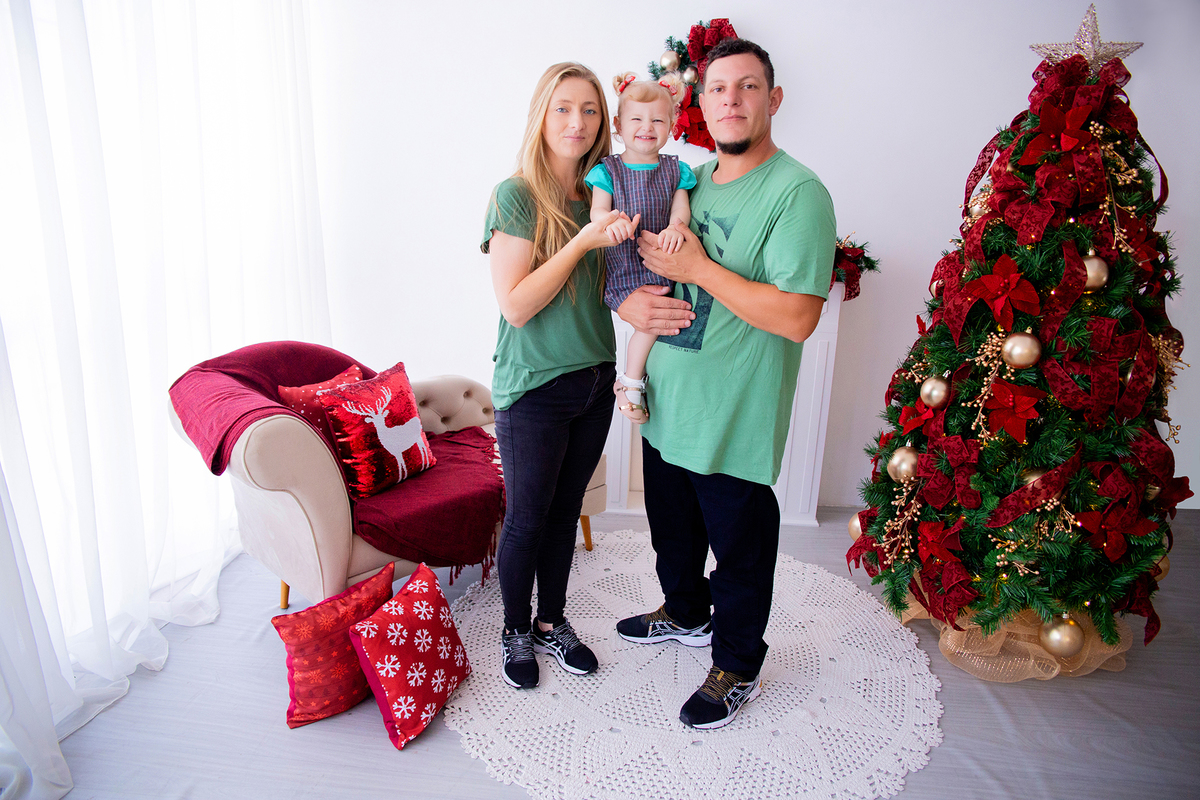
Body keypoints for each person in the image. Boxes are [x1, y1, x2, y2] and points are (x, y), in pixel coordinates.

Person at [614, 38, 837, 729]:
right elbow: (646, 264)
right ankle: (685, 613)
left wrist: (703, 270)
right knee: (672, 534)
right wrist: (630, 308)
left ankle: (737, 665)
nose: (731, 100)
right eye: (717, 88)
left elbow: (798, 317)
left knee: (740, 551)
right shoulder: (692, 178)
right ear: (701, 104)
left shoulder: (798, 193)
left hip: (733, 414)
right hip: (667, 403)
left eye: (747, 87)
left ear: (773, 99)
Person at [481, 62, 630, 689]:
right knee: (527, 520)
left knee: (565, 514)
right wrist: (582, 242)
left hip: (594, 383)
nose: (578, 121)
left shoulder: (603, 195)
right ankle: (516, 630)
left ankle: (552, 621)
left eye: (590, 110)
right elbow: (515, 305)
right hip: (534, 389)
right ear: (541, 115)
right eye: (564, 107)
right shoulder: (516, 196)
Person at [586, 71, 696, 422]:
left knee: (662, 321)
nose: (647, 127)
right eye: (636, 119)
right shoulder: (608, 171)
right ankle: (630, 382)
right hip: (624, 268)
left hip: (662, 263)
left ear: (672, 125)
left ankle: (639, 383)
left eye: (657, 120)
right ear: (618, 125)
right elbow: (598, 210)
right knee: (649, 324)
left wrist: (676, 227)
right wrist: (611, 222)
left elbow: (681, 208)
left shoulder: (676, 170)